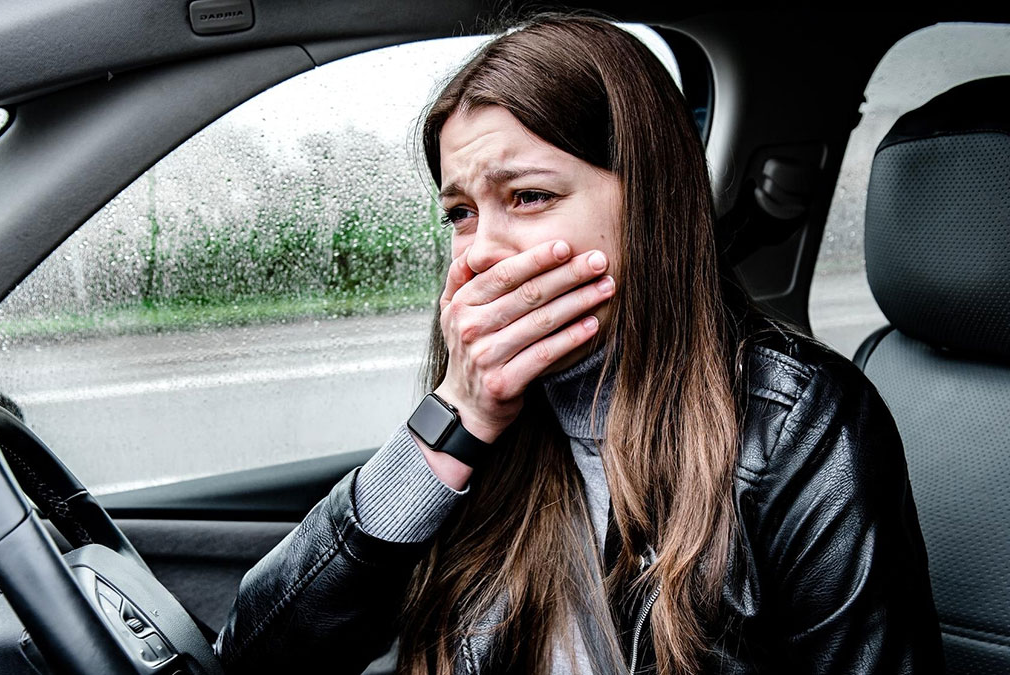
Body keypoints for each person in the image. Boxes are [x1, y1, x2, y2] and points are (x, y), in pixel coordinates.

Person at [213, 14, 944, 675]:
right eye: (460, 213)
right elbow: (255, 657)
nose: (482, 253)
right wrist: (456, 417)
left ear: (649, 203)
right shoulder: (486, 420)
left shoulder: (799, 426)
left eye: (528, 197)